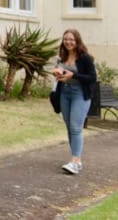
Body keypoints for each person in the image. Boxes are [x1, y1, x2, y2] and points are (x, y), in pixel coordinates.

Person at [52, 28, 97, 175]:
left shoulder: (85, 58)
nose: (68, 42)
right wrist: (59, 74)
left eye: (71, 39)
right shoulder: (62, 57)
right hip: (65, 93)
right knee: (69, 126)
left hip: (80, 94)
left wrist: (74, 75)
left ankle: (75, 161)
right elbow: (62, 74)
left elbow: (92, 77)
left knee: (76, 127)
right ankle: (76, 161)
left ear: (77, 41)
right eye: (66, 39)